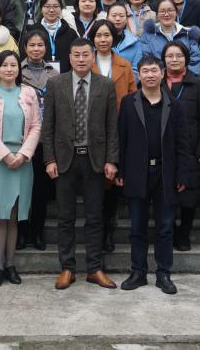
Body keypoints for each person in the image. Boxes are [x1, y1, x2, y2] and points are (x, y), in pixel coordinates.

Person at [42, 38, 119, 291]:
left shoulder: (105, 85)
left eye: (86, 54)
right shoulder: (56, 83)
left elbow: (112, 126)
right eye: (76, 55)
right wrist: (49, 159)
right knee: (65, 217)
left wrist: (111, 159)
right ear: (70, 57)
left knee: (95, 217)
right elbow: (48, 126)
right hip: (65, 159)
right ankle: (67, 268)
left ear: (93, 56)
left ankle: (94, 268)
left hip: (95, 160)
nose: (81, 59)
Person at [116, 56, 188, 295]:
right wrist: (120, 170)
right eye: (145, 71)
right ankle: (138, 272)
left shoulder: (174, 105)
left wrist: (182, 175)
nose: (149, 75)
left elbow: (182, 143)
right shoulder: (129, 103)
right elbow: (121, 138)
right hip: (137, 173)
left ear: (162, 73)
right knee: (137, 227)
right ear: (139, 75)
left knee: (165, 228)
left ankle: (163, 274)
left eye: (154, 70)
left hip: (165, 174)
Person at [0, 50, 42, 288]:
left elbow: (36, 126)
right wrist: (5, 155)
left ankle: (11, 264)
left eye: (13, 65)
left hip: (22, 161)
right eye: (4, 65)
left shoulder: (29, 92)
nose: (9, 69)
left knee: (14, 215)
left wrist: (22, 154)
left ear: (19, 69)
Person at [90, 19, 139, 253]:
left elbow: (132, 95)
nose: (103, 40)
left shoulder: (124, 64)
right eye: (99, 35)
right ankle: (96, 232)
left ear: (114, 38)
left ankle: (109, 231)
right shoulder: (85, 62)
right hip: (91, 132)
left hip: (118, 130)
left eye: (107, 35)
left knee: (113, 185)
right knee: (96, 185)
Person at [160, 41, 200, 252]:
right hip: (162, 149)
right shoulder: (157, 82)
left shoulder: (197, 84)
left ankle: (184, 233)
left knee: (190, 193)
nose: (174, 60)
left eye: (179, 56)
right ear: (163, 59)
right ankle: (170, 230)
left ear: (186, 59)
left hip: (190, 148)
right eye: (170, 56)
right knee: (164, 192)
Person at [18, 27, 60, 251]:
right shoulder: (16, 70)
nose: (36, 49)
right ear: (25, 47)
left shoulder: (55, 73)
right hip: (22, 138)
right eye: (32, 45)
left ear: (47, 47)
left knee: (41, 191)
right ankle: (21, 232)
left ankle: (37, 232)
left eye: (40, 45)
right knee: (22, 189)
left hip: (46, 138)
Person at [139, 0, 200, 75]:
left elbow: (195, 61)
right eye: (162, 11)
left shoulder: (187, 34)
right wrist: (163, 77)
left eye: (170, 10)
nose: (166, 14)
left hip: (186, 80)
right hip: (159, 80)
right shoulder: (148, 36)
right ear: (157, 14)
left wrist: (185, 78)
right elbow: (147, 61)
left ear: (176, 12)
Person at [36, 0, 77, 73]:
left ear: (61, 9)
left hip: (65, 78)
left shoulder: (70, 33)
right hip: (37, 77)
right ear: (41, 9)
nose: (51, 10)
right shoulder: (33, 31)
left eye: (55, 6)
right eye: (47, 6)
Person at [104, 3, 142, 73]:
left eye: (121, 16)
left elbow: (136, 71)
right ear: (107, 18)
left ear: (126, 19)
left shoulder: (136, 43)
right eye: (114, 16)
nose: (118, 19)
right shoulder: (98, 40)